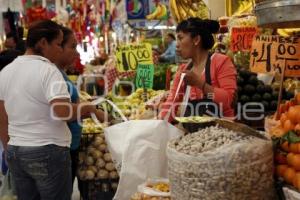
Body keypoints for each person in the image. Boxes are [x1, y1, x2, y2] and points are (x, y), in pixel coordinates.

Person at [0, 20, 106, 200]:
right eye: (58, 44)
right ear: (42, 43)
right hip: (48, 151)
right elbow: (62, 112)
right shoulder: (48, 70)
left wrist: (8, 148)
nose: (60, 50)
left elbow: (2, 115)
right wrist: (89, 108)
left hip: (17, 151)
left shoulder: (7, 71)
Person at [159, 18, 237, 122]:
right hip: (195, 134)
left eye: (180, 38)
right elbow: (171, 102)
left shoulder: (220, 62)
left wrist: (201, 84)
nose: (176, 45)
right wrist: (158, 123)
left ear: (196, 40)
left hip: (224, 131)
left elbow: (228, 99)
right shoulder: (183, 70)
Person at [56, 26, 82, 192]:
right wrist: (90, 110)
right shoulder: (54, 75)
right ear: (57, 46)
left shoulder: (60, 73)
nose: (76, 53)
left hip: (69, 145)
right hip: (62, 148)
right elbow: (63, 112)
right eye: (72, 47)